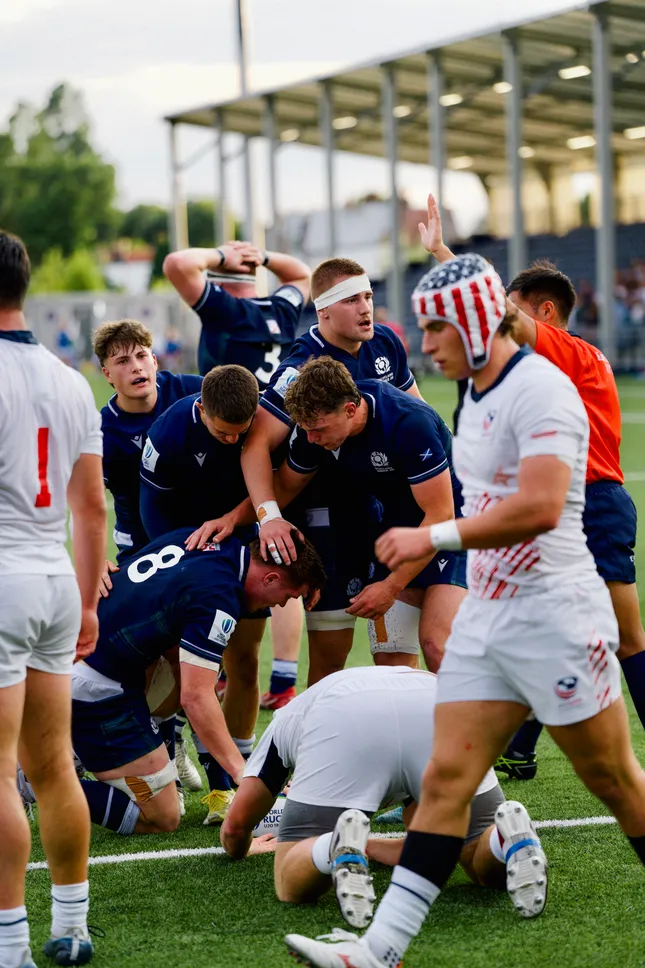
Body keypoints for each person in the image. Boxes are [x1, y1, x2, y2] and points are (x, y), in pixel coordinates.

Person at [283, 253, 645, 968]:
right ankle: (376, 952)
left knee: (615, 784)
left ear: (479, 322)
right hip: (490, 616)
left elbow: (540, 507)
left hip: (553, 616)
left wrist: (432, 537)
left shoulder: (540, 390)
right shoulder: (475, 391)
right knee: (446, 780)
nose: (425, 345)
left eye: (436, 328)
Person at [423, 194, 645, 778]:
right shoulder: (538, 368)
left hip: (592, 502)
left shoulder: (568, 351)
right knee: (533, 622)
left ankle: (522, 743)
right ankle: (518, 744)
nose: (498, 328)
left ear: (544, 314)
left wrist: (445, 254)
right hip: (569, 505)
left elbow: (494, 311)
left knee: (626, 637)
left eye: (514, 315)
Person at [221, 666, 541, 928]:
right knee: (474, 852)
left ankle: (329, 847)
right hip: (438, 703)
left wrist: (243, 847)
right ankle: (503, 840)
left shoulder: (288, 718)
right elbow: (427, 848)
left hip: (342, 716)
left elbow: (235, 826)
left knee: (288, 883)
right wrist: (369, 846)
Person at [237, 256, 423, 685]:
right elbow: (256, 446)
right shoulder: (298, 366)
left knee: (397, 657)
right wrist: (269, 516)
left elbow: (420, 415)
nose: (365, 308)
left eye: (369, 296)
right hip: (327, 522)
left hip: (388, 513)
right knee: (328, 661)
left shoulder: (386, 344)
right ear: (323, 310)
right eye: (352, 299)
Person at [70, 530, 325, 837]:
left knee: (191, 662)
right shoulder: (220, 595)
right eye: (289, 595)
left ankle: (85, 744)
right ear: (270, 578)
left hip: (75, 651)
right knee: (163, 817)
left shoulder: (208, 541)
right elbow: (196, 697)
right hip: (93, 685)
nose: (283, 605)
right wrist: (243, 775)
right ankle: (41, 776)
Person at [0, 231, 106, 968]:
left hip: (2, 580)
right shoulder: (71, 380)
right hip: (58, 581)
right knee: (54, 766)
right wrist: (91, 604)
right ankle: (71, 926)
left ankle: (8, 943)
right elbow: (92, 507)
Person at [163, 240, 310, 707]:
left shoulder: (226, 310)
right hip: (283, 444)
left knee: (229, 553)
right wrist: (263, 255)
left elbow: (178, 264)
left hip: (233, 442)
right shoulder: (280, 310)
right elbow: (302, 274)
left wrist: (224, 253)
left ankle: (220, 663)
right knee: (281, 555)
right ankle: (283, 677)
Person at [277, 357, 467, 671]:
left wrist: (392, 586)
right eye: (306, 430)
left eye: (318, 430)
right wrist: (263, 519)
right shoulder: (314, 430)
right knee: (391, 659)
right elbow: (282, 489)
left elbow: (441, 515)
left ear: (350, 410)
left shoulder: (408, 423)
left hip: (453, 526)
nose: (311, 439)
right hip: (394, 532)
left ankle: (471, 718)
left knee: (438, 647)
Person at [139, 364, 268, 822]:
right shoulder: (168, 435)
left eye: (241, 433)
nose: (233, 441)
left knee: (245, 659)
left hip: (244, 546)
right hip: (188, 551)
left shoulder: (266, 414)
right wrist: (183, 567)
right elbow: (152, 514)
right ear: (202, 410)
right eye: (222, 433)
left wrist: (236, 525)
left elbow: (279, 488)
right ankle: (189, 762)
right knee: (187, 668)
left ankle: (240, 770)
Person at [94, 318, 204, 792]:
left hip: (201, 543)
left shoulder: (194, 392)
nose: (136, 366)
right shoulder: (100, 429)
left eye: (142, 355)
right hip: (140, 551)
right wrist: (94, 557)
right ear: (107, 374)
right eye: (123, 360)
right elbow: (81, 497)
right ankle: (153, 748)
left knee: (194, 657)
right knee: (145, 660)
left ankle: (176, 745)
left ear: (155, 359)